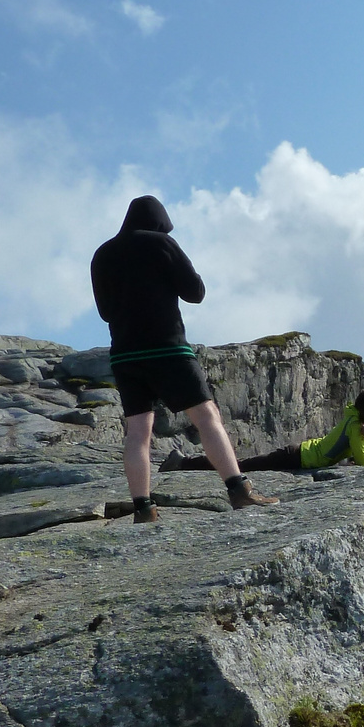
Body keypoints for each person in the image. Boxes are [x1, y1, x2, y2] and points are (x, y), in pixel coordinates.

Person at [91, 195, 279, 523]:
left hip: (124, 355)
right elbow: (195, 292)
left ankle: (144, 508)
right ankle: (239, 489)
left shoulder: (102, 254)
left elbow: (105, 312)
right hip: (168, 348)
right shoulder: (162, 243)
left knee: (137, 434)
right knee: (207, 418)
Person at [163, 390, 364, 474]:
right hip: (297, 458)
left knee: (241, 466)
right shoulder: (356, 428)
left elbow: (361, 457)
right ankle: (183, 462)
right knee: (238, 466)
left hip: (299, 455)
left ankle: (184, 463)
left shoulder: (356, 423)